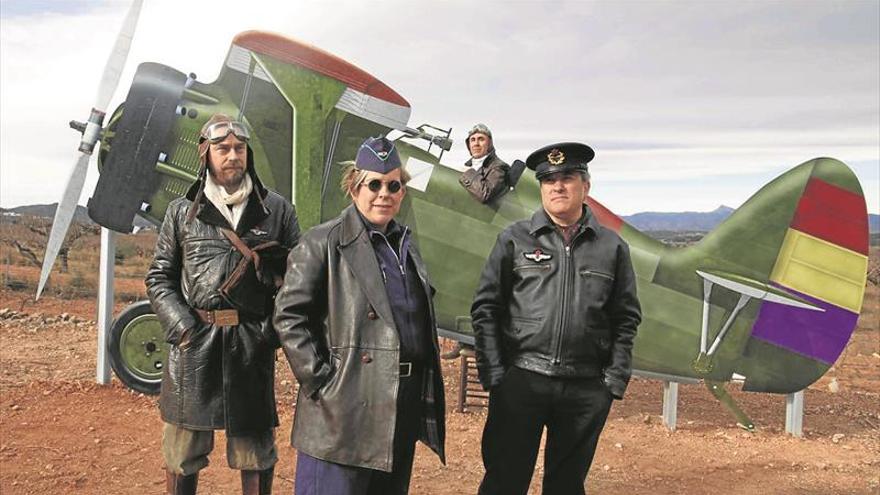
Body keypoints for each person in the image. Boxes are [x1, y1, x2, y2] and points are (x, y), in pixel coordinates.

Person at [273, 136, 446, 495]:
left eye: (393, 185)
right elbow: (289, 315)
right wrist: (322, 380)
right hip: (343, 410)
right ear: (354, 188)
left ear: (402, 192)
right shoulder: (323, 241)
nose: (384, 193)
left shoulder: (406, 246)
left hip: (398, 404)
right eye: (374, 184)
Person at [470, 142, 641, 495]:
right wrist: (495, 374)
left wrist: (612, 381)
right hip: (521, 381)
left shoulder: (612, 247)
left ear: (586, 187)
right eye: (549, 180)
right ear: (542, 188)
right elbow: (486, 307)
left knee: (566, 486)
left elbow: (626, 317)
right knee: (504, 481)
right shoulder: (514, 239)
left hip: (585, 387)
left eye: (568, 177)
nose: (558, 186)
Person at [146, 114, 300, 495]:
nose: (232, 155)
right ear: (205, 153)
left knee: (257, 455)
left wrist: (269, 334)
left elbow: (299, 284)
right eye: (222, 148)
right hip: (193, 346)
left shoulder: (278, 211)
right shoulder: (182, 212)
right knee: (182, 454)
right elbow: (159, 277)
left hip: (251, 345)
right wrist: (183, 328)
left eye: (239, 148)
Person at [458, 123, 510, 203]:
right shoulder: (466, 166)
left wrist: (468, 172)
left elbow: (485, 194)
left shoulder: (498, 167)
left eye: (481, 139)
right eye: (472, 140)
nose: (476, 144)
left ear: (489, 144)